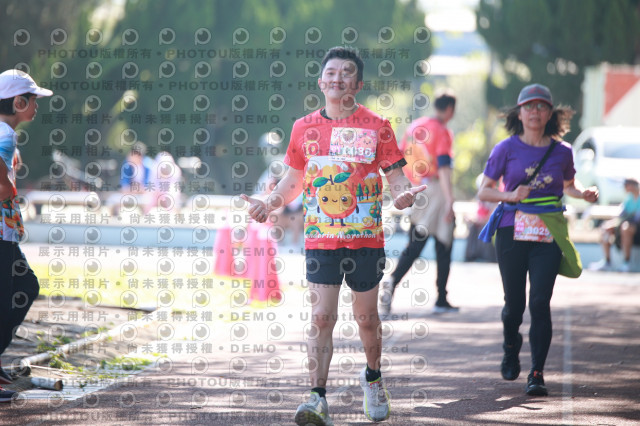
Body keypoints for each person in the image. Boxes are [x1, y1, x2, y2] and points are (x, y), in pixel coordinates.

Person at [241, 46, 425, 426]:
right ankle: (317, 397)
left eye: (346, 73)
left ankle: (373, 378)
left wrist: (402, 195)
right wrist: (269, 203)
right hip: (320, 240)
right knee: (322, 317)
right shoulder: (303, 128)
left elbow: (396, 178)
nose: (338, 78)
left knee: (366, 319)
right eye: (331, 73)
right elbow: (293, 181)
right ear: (321, 82)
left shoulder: (378, 126)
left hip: (366, 241)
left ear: (358, 84)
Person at [477, 84, 598, 396]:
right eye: (528, 106)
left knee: (540, 302)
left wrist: (583, 193)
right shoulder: (505, 149)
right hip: (511, 230)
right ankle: (510, 345)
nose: (535, 111)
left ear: (550, 113)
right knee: (514, 305)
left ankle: (536, 373)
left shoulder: (563, 151)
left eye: (541, 106)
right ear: (519, 113)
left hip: (548, 232)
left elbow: (568, 185)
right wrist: (510, 195)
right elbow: (484, 191)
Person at [379, 91, 458, 316]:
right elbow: (443, 166)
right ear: (450, 109)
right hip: (436, 190)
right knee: (444, 243)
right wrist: (450, 199)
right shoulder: (442, 131)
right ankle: (441, 298)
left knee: (415, 244)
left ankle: (392, 282)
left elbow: (400, 160)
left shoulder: (414, 127)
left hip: (416, 190)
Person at [0, 69, 52, 402]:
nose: (36, 106)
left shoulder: (5, 133)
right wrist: (9, 187)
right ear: (18, 102)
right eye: (33, 100)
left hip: (5, 234)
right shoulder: (4, 134)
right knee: (15, 294)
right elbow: (2, 186)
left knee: (25, 287)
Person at [589, 178, 640, 272]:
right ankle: (607, 261)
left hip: (636, 228)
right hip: (626, 224)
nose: (625, 188)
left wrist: (623, 222)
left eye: (626, 185)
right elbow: (621, 214)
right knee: (606, 228)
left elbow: (636, 219)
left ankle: (626, 262)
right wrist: (614, 223)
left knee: (626, 228)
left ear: (632, 186)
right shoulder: (629, 198)